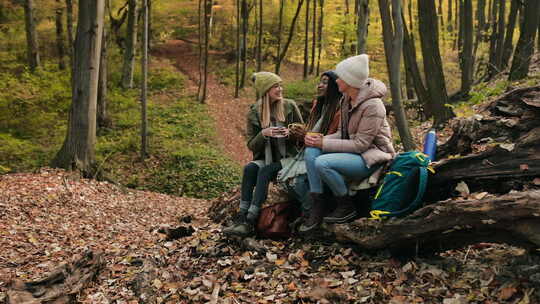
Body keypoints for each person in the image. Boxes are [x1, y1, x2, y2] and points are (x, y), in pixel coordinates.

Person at [303, 54, 396, 228]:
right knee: (311, 152)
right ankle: (318, 204)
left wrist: (323, 143)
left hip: (374, 156)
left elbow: (361, 144)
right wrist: (320, 138)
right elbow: (342, 133)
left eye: (340, 77)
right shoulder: (347, 100)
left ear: (350, 81)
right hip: (356, 152)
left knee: (322, 163)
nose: (336, 81)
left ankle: (345, 205)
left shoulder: (373, 106)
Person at [223, 71, 304, 237]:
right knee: (249, 169)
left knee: (265, 171)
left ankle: (250, 220)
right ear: (266, 90)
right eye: (276, 86)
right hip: (265, 157)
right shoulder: (254, 111)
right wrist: (264, 133)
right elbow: (251, 145)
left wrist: (290, 133)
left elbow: (303, 133)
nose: (280, 89)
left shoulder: (289, 105)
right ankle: (241, 217)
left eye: (280, 85)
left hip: (289, 157)